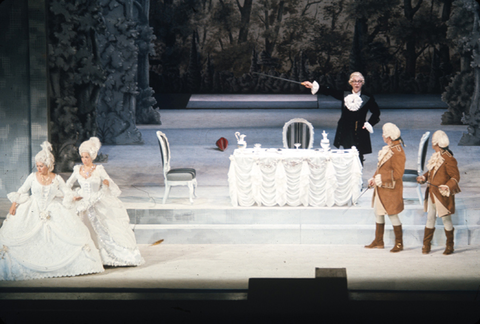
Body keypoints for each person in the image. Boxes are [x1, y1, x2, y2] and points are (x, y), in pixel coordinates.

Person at [0, 142, 104, 280]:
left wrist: (74, 196)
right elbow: (22, 190)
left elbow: (66, 191)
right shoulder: (32, 177)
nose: (39, 168)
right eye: (37, 166)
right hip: (33, 209)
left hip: (53, 209)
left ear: (48, 165)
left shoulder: (57, 178)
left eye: (41, 166)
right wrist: (14, 205)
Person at [66, 137, 144, 266]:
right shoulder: (77, 170)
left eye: (87, 157)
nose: (84, 160)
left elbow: (109, 183)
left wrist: (106, 185)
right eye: (82, 157)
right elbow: (67, 185)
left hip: (97, 202)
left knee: (103, 229)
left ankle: (106, 257)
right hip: (83, 204)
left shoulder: (99, 169)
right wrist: (72, 195)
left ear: (92, 156)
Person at [303, 72, 380, 164]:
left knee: (358, 155)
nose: (357, 84)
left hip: (359, 129)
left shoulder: (367, 97)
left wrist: (369, 124)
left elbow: (376, 112)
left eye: (359, 81)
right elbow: (329, 91)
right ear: (350, 83)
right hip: (345, 129)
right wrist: (312, 86)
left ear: (362, 83)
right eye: (354, 81)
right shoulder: (345, 94)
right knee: (347, 154)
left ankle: (357, 174)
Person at [416, 130, 460, 255]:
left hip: (442, 195)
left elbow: (455, 176)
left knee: (446, 220)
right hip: (432, 192)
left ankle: (450, 246)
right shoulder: (436, 156)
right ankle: (426, 245)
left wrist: (447, 186)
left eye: (432, 142)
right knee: (430, 218)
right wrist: (424, 177)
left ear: (436, 143)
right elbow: (431, 172)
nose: (431, 144)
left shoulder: (449, 159)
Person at [364, 123, 406, 253]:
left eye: (383, 134)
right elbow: (381, 168)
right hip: (381, 187)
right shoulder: (389, 148)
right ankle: (379, 241)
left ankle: (399, 243)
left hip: (390, 188)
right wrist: (374, 177)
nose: (382, 136)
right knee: (378, 212)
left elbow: (398, 173)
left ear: (389, 137)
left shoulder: (398, 151)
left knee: (392, 215)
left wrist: (381, 179)